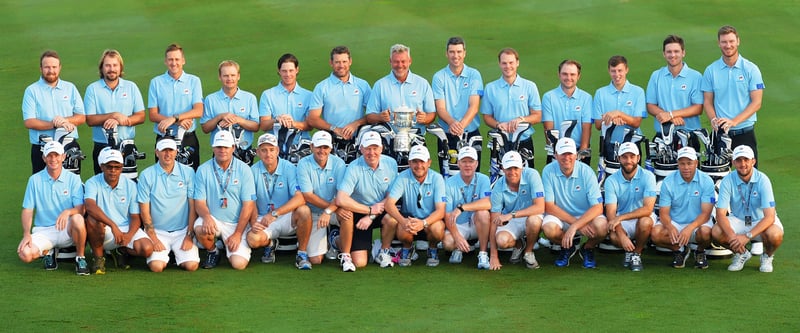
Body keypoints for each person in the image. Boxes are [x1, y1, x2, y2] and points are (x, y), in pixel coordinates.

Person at [18, 141, 89, 275]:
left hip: (66, 228)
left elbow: (80, 209)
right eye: (49, 156)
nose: (53, 159)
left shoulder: (74, 179)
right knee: (25, 254)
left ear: (63, 157)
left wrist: (68, 212)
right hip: (44, 230)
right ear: (44, 158)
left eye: (56, 155)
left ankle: (80, 257)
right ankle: (49, 250)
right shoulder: (34, 180)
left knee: (78, 219)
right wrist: (26, 234)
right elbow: (27, 209)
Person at [245, 133, 313, 270]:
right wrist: (254, 223)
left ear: (277, 150)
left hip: (285, 216)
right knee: (252, 239)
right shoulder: (252, 171)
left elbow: (300, 198)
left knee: (304, 211)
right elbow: (250, 201)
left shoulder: (289, 168)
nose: (268, 154)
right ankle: (270, 244)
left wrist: (275, 213)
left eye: (271, 150)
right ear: (257, 152)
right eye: (263, 150)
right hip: (262, 218)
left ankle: (302, 254)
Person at [712, 145, 783, 272]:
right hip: (739, 218)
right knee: (717, 231)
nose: (743, 164)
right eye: (738, 160)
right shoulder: (728, 180)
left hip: (761, 219)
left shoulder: (763, 180)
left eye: (746, 160)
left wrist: (747, 236)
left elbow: (770, 217)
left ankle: (767, 256)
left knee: (775, 235)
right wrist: (733, 236)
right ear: (733, 162)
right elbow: (720, 214)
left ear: (753, 161)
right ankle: (742, 253)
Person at [702, 25, 764, 167]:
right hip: (720, 135)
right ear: (719, 43)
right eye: (724, 42)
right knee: (719, 178)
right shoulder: (711, 70)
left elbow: (756, 102)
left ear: (738, 41)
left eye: (731, 41)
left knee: (748, 177)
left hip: (745, 133)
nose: (728, 45)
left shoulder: (751, 69)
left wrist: (734, 122)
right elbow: (707, 101)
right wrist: (713, 119)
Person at [193, 131, 256, 270]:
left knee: (239, 264)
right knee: (200, 228)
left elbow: (248, 205)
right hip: (214, 219)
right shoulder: (203, 170)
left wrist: (238, 233)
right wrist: (207, 217)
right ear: (213, 147)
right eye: (219, 147)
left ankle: (229, 243)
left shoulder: (244, 169)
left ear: (233, 148)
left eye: (226, 147)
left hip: (236, 223)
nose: (222, 150)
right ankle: (212, 251)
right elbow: (199, 202)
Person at [85, 148, 154, 274]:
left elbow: (135, 217)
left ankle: (121, 251)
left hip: (125, 228)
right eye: (109, 167)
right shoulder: (92, 182)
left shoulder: (131, 185)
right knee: (93, 220)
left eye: (117, 167)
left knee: (147, 249)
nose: (113, 171)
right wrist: (113, 225)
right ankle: (99, 259)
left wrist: (129, 235)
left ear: (121, 168)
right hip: (105, 228)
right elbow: (90, 207)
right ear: (102, 167)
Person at [335, 131, 398, 268]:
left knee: (392, 218)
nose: (372, 153)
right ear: (361, 149)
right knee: (360, 262)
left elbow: (391, 196)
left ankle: (383, 251)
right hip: (359, 211)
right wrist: (368, 210)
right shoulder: (353, 167)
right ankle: (337, 240)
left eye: (375, 148)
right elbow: (341, 199)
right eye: (368, 148)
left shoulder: (391, 163)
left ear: (381, 148)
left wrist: (371, 215)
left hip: (380, 209)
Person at [541, 138, 607, 268]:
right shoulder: (548, 171)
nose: (567, 157)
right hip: (561, 216)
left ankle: (587, 248)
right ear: (555, 155)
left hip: (585, 216)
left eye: (570, 154)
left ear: (576, 155)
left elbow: (598, 207)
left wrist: (575, 226)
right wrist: (575, 224)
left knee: (602, 227)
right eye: (563, 154)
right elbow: (549, 206)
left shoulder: (586, 171)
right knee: (548, 229)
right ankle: (568, 247)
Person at [137, 138, 199, 272]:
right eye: (163, 151)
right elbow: (144, 210)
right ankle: (171, 254)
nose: (167, 154)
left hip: (182, 231)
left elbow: (193, 206)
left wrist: (189, 235)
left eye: (170, 150)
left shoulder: (188, 172)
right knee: (156, 267)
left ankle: (174, 254)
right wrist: (153, 237)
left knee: (191, 266)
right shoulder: (146, 175)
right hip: (158, 231)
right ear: (156, 152)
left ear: (176, 152)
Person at [650, 146, 714, 269]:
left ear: (696, 163)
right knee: (656, 234)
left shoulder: (706, 181)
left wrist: (690, 228)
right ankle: (680, 251)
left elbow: (706, 213)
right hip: (675, 221)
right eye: (682, 163)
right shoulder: (668, 182)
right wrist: (670, 226)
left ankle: (700, 251)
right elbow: (663, 213)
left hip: (698, 223)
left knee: (706, 233)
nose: (686, 167)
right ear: (678, 164)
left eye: (689, 163)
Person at [22, 50, 85, 174]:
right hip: (42, 148)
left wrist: (65, 121)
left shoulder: (70, 88)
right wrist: (54, 124)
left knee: (72, 187)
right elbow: (29, 122)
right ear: (41, 68)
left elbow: (81, 117)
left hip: (68, 147)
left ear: (60, 68)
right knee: (42, 187)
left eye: (54, 67)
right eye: (47, 67)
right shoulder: (32, 91)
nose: (51, 71)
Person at [296, 131, 351, 271]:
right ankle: (330, 239)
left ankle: (345, 255)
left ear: (331, 148)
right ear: (312, 146)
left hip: (333, 209)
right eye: (319, 147)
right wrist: (330, 209)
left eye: (325, 147)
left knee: (347, 214)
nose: (322, 151)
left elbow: (341, 194)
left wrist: (329, 211)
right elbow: (308, 196)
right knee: (316, 260)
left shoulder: (339, 163)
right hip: (314, 213)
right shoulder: (303, 164)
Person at [84, 49, 146, 175]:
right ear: (102, 68)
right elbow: (90, 119)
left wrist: (121, 120)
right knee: (102, 186)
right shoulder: (93, 89)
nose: (111, 69)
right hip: (102, 146)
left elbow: (141, 116)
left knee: (128, 186)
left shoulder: (131, 87)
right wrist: (113, 115)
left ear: (120, 67)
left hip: (126, 146)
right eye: (107, 65)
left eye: (115, 65)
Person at [384, 145, 446, 267]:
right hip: (410, 221)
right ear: (409, 163)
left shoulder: (437, 178)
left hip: (430, 222)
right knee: (402, 229)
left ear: (429, 163)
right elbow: (388, 204)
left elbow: (440, 211)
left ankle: (432, 249)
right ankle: (408, 248)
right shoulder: (403, 177)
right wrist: (403, 221)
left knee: (438, 229)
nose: (418, 166)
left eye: (422, 161)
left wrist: (423, 223)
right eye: (415, 162)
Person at [481, 48, 542, 168]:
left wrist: (521, 119)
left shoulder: (530, 86)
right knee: (499, 178)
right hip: (500, 141)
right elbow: (487, 117)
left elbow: (537, 116)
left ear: (517, 63)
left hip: (524, 140)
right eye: (504, 63)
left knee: (526, 178)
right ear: (499, 64)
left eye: (511, 62)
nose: (507, 66)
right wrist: (498, 125)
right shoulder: (490, 88)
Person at [432, 37, 484, 172]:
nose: (456, 56)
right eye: (452, 52)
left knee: (473, 177)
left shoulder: (474, 75)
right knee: (447, 176)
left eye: (459, 52)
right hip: (447, 135)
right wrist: (452, 123)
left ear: (464, 53)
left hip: (470, 133)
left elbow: (474, 106)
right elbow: (440, 108)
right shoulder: (439, 77)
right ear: (446, 53)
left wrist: (461, 126)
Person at [147, 43, 203, 170]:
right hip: (164, 137)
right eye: (170, 59)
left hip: (188, 138)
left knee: (191, 176)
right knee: (163, 176)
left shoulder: (194, 81)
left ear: (183, 61)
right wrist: (178, 122)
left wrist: (174, 118)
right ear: (165, 61)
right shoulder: (156, 82)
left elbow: (198, 110)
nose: (174, 63)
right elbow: (153, 114)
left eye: (177, 59)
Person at [603, 142, 657, 271]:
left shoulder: (648, 176)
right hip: (622, 219)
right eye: (625, 157)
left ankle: (636, 253)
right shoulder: (611, 180)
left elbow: (648, 209)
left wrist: (620, 218)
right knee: (615, 237)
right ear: (618, 158)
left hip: (642, 216)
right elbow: (611, 213)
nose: (628, 161)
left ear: (638, 158)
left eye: (632, 157)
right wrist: (622, 235)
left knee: (645, 222)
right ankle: (629, 250)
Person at [307, 46, 372, 151]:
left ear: (350, 61)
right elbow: (312, 119)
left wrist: (355, 124)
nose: (341, 66)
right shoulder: (322, 87)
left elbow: (372, 114)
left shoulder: (362, 85)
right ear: (331, 63)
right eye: (337, 62)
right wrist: (335, 129)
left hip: (358, 141)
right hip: (331, 142)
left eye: (344, 61)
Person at [488, 151, 545, 271]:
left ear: (522, 167)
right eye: (509, 168)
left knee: (534, 221)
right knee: (502, 241)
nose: (512, 172)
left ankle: (528, 252)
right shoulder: (498, 186)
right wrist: (493, 255)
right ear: (503, 169)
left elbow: (540, 207)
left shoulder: (532, 175)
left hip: (531, 214)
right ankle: (519, 244)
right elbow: (494, 220)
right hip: (512, 219)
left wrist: (511, 215)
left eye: (515, 168)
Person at [366, 44, 435, 131]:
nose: (400, 65)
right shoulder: (380, 85)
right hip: (388, 137)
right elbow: (369, 116)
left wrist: (424, 118)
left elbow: (432, 114)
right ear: (390, 61)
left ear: (410, 61)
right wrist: (380, 117)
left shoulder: (422, 84)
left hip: (415, 137)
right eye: (396, 61)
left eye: (403, 61)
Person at [442, 146, 492, 269]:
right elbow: (447, 214)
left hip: (477, 223)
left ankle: (483, 253)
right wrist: (457, 237)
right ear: (458, 163)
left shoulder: (484, 179)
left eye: (471, 161)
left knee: (483, 213)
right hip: (458, 225)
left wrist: (462, 207)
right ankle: (459, 248)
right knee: (448, 243)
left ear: (476, 164)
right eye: (464, 161)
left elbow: (488, 203)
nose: (467, 165)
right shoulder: (449, 183)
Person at [200, 60, 259, 162]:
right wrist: (220, 117)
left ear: (238, 76)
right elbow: (205, 128)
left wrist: (238, 120)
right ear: (220, 77)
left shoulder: (250, 98)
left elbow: (256, 126)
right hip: (220, 152)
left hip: (244, 151)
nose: (230, 79)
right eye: (225, 75)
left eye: (233, 75)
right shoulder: (211, 99)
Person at [646, 35, 703, 134]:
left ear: (683, 53)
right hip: (662, 135)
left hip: (689, 135)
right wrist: (667, 116)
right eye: (669, 52)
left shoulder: (695, 76)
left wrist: (671, 114)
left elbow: (698, 108)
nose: (672, 55)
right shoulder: (656, 76)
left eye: (676, 51)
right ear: (664, 54)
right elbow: (650, 105)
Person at [258, 53, 313, 155]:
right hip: (275, 150)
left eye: (291, 70)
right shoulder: (268, 95)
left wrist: (293, 124)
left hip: (301, 148)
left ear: (297, 70)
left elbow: (310, 125)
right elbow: (263, 125)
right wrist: (277, 120)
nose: (288, 74)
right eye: (284, 71)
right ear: (279, 71)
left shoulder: (309, 95)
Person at [542, 59, 593, 165]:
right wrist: (557, 153)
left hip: (579, 152)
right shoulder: (549, 97)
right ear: (559, 75)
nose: (568, 78)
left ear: (578, 76)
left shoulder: (586, 98)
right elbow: (548, 128)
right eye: (565, 74)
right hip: (556, 152)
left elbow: (586, 128)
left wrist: (582, 152)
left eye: (572, 74)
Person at [593, 55, 646, 150]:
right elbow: (597, 124)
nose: (617, 74)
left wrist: (618, 114)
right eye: (613, 71)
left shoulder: (638, 92)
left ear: (626, 70)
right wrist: (612, 120)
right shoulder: (600, 93)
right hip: (608, 144)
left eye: (620, 70)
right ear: (609, 71)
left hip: (632, 144)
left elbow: (636, 122)